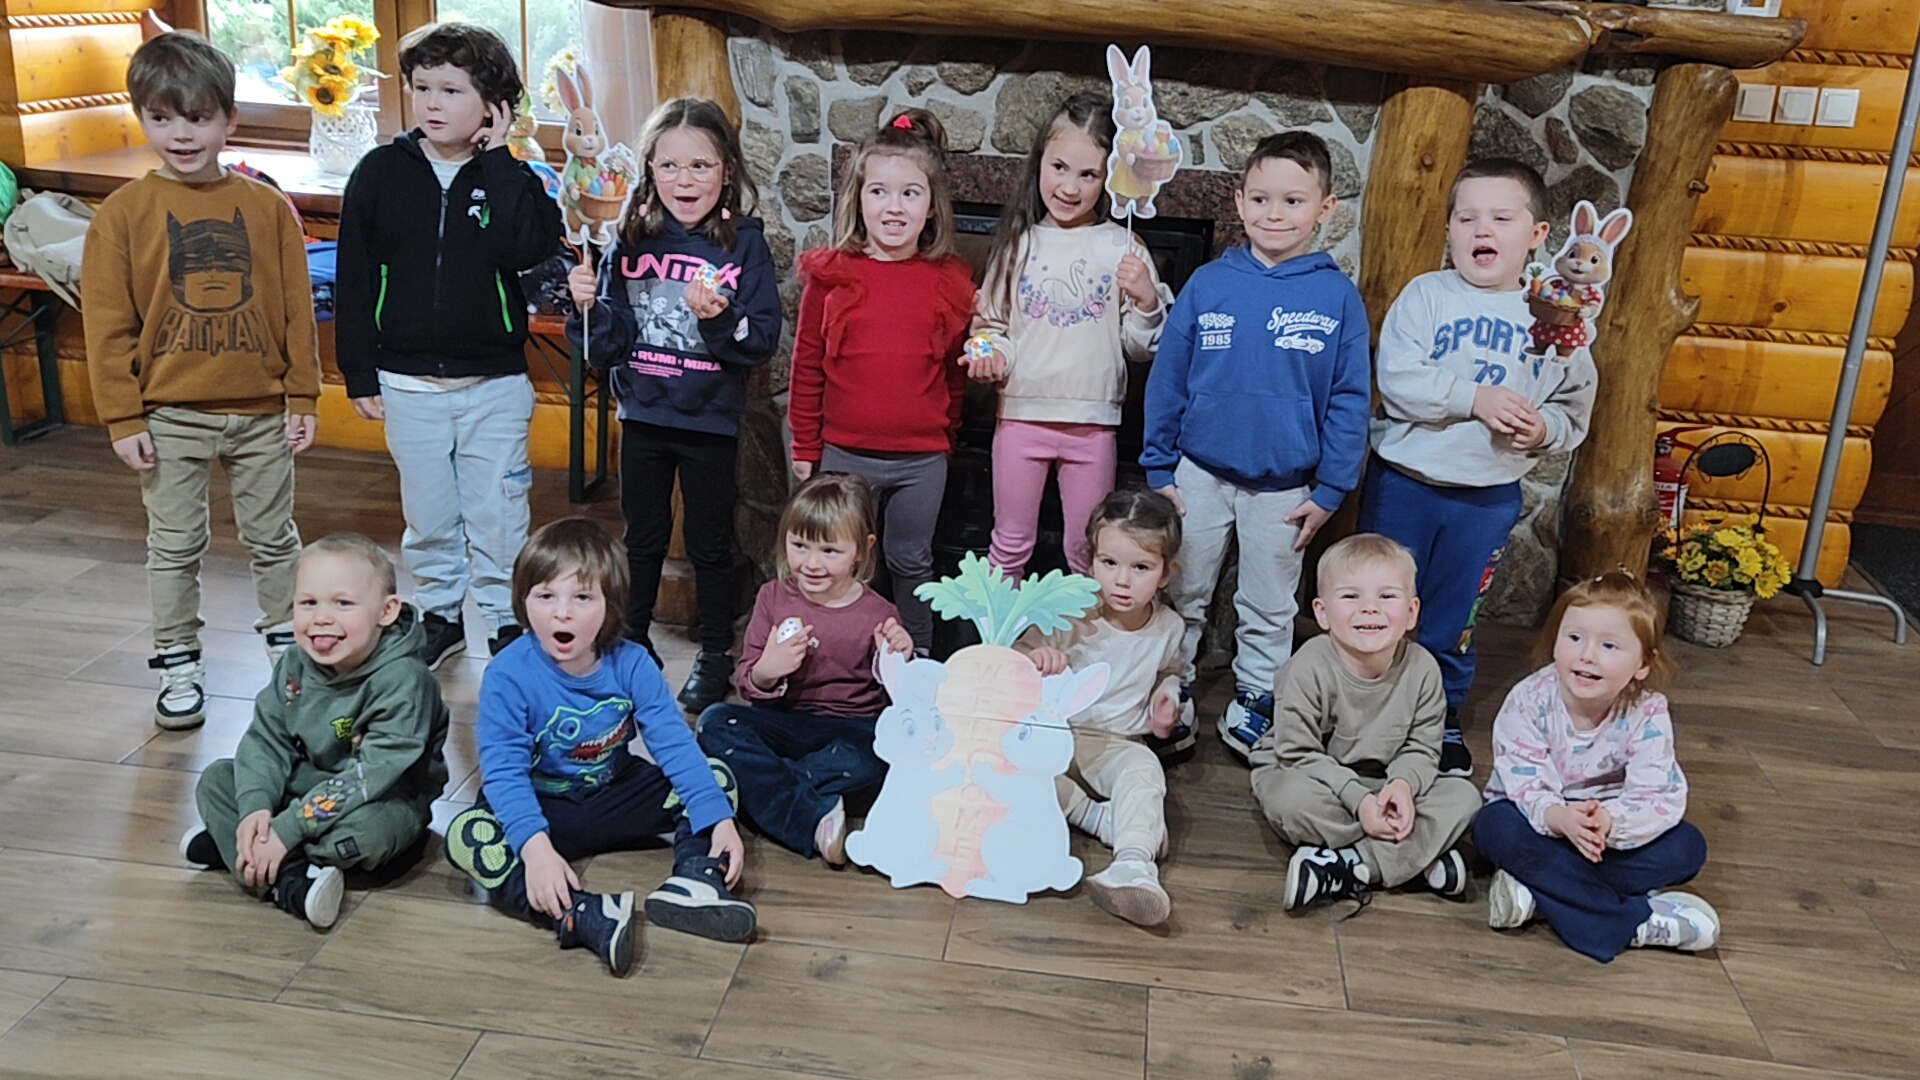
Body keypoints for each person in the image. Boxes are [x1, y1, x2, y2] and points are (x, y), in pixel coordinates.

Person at [82, 30, 320, 731]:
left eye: (197, 117)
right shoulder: (122, 216)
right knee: (175, 546)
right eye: (161, 118)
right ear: (142, 118)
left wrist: (303, 394)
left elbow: (296, 311)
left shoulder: (268, 209)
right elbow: (108, 326)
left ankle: (291, 662)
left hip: (263, 414)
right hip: (168, 418)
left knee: (275, 539)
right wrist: (123, 416)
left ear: (229, 120)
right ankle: (178, 663)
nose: (180, 135)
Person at [1357, 158, 1597, 778]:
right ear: (1450, 230)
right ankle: (1366, 711)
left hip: (1487, 496)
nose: (1481, 229)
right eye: (1466, 219)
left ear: (1538, 236)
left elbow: (1573, 403)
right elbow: (1399, 379)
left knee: (1454, 615)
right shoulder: (1427, 296)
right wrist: (1474, 399)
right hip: (1403, 486)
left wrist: (1545, 430)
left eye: (1500, 218)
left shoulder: (1557, 315)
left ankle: (1439, 718)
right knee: (1379, 603)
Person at [335, 22, 563, 670]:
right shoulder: (379, 174)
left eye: (452, 90)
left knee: (498, 516)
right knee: (429, 516)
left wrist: (499, 160)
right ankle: (439, 614)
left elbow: (529, 247)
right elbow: (354, 278)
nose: (433, 104)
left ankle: (505, 620)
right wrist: (359, 372)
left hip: (494, 386)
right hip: (407, 384)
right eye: (422, 88)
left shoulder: (513, 178)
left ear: (492, 103)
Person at [1139, 130, 1371, 763]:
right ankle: (1171, 687)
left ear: (1324, 209)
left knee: (1269, 603)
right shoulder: (1209, 284)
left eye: (1293, 201)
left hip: (1286, 488)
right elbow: (1169, 379)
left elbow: (1350, 398)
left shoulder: (1337, 297)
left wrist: (1332, 488)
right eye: (1262, 199)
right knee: (1183, 591)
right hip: (1198, 473)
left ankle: (1258, 695)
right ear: (1239, 201)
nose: (1275, 214)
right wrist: (1160, 466)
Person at [444, 518, 753, 978]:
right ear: (523, 602)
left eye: (582, 597)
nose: (562, 613)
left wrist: (718, 820)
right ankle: (581, 914)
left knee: (717, 781)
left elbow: (673, 743)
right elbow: (504, 772)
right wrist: (535, 849)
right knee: (466, 835)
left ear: (611, 606)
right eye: (545, 596)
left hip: (617, 793)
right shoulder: (508, 674)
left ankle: (694, 880)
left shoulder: (633, 663)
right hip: (544, 807)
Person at [566, 96, 780, 712]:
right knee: (642, 539)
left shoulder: (744, 245)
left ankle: (715, 654)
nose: (684, 181)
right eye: (669, 166)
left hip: (710, 421)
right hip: (644, 417)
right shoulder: (630, 240)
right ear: (649, 171)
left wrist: (718, 319)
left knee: (710, 543)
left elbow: (760, 341)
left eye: (700, 166)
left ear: (727, 171)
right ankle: (633, 644)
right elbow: (606, 346)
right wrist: (585, 307)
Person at [182, 534, 451, 929]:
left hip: (384, 796)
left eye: (343, 603)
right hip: (308, 785)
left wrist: (286, 829)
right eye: (308, 603)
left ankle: (249, 855)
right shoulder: (294, 662)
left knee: (370, 835)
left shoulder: (404, 681)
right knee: (216, 780)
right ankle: (285, 871)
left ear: (387, 611)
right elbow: (266, 740)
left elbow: (369, 776)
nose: (322, 617)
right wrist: (256, 807)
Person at [787, 108, 978, 655]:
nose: (894, 207)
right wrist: (805, 444)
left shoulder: (948, 281)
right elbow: (807, 364)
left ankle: (916, 658)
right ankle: (843, 656)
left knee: (911, 560)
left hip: (921, 461)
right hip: (845, 455)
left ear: (931, 206)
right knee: (844, 562)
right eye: (879, 192)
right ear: (858, 199)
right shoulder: (833, 276)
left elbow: (953, 373)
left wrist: (947, 437)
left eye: (910, 194)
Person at [966, 91, 1171, 582]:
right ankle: (1000, 629)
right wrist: (987, 355)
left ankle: (1087, 631)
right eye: (1059, 167)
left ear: (1110, 177)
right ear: (1040, 161)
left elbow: (1140, 347)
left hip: (1093, 426)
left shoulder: (1123, 246)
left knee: (1089, 549)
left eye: (1089, 175)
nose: (1070, 187)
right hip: (1021, 420)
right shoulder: (1016, 246)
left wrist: (1147, 300)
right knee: (1010, 543)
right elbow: (988, 327)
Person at [1476, 572, 1718, 961]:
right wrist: (1559, 818)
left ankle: (1539, 893)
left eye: (1609, 645)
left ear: (1643, 664)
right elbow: (1525, 781)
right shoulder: (1528, 700)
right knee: (1493, 827)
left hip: (1602, 836)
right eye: (1574, 638)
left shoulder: (1647, 712)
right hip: (1538, 822)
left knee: (1687, 848)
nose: (1587, 655)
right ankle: (1632, 923)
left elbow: (1657, 795)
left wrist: (1608, 821)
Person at [1248, 534, 1479, 911]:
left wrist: (1402, 787)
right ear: (1322, 612)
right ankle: (1414, 859)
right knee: (1290, 800)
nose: (1369, 609)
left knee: (1464, 798)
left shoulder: (1423, 669)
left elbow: (1422, 749)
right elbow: (1297, 754)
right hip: (1311, 775)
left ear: (1411, 612)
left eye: (1386, 596)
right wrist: (1360, 804)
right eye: (1350, 596)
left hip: (1385, 781)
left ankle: (1350, 864)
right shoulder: (1306, 669)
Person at [695, 473, 912, 863]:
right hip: (783, 722)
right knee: (714, 722)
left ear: (861, 550)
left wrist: (899, 658)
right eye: (799, 546)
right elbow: (748, 683)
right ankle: (811, 817)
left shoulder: (880, 613)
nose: (812, 564)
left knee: (878, 757)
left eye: (830, 551)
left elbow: (901, 701)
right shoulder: (772, 597)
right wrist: (767, 670)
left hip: (851, 731)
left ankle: (760, 787)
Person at [1018, 488, 1186, 926]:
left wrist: (1167, 696)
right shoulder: (1071, 612)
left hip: (1116, 743)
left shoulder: (1169, 627)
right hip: (1052, 736)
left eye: (1141, 568)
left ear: (1166, 573)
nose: (1122, 581)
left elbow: (1170, 670)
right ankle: (1101, 819)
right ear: (1090, 560)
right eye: (1109, 563)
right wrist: (1037, 658)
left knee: (1144, 771)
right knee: (1013, 776)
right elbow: (1017, 657)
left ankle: (1133, 863)